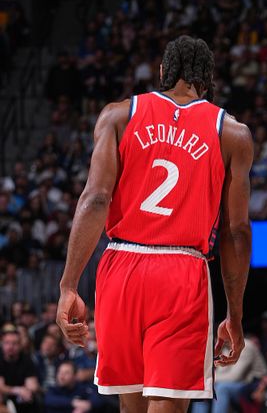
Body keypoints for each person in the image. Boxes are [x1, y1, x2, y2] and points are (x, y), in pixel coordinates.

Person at [55, 35, 253, 413]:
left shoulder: (117, 115)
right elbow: (236, 232)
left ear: (162, 71)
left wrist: (68, 285)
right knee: (168, 404)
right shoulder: (232, 133)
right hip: (181, 272)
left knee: (130, 406)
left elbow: (95, 199)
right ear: (207, 80)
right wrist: (235, 314)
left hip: (120, 267)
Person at [0, 330, 40, 413]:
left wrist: (25, 391)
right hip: (4, 398)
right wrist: (18, 390)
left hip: (22, 399)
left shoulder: (26, 360)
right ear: (2, 344)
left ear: (20, 345)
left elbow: (33, 386)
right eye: (7, 343)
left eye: (14, 343)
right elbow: (1, 386)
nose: (10, 347)